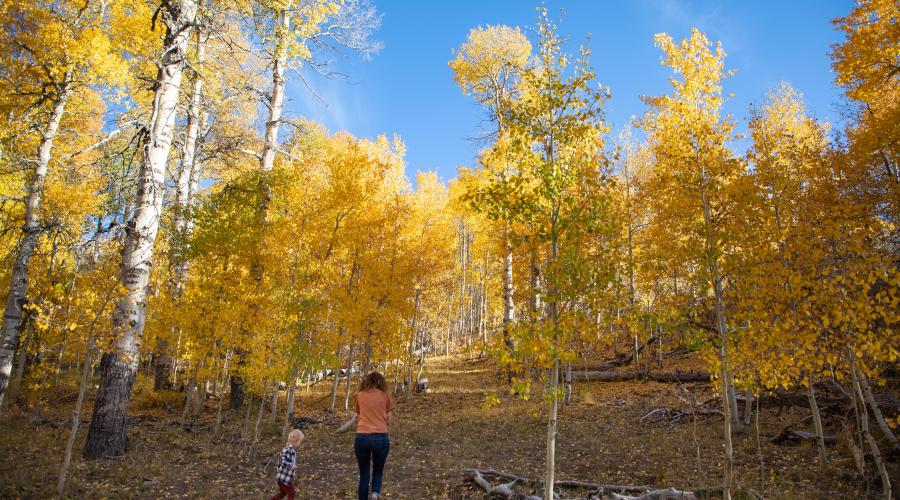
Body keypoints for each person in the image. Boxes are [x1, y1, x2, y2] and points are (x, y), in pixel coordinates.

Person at [352, 371, 395, 500]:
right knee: (378, 470)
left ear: (366, 382)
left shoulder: (359, 395)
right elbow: (388, 419)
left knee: (364, 473)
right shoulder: (385, 396)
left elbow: (359, 415)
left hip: (362, 437)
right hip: (380, 436)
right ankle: (375, 494)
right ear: (381, 382)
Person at [271, 429, 304, 500]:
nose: (300, 444)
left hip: (286, 478)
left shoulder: (291, 450)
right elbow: (283, 461)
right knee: (292, 492)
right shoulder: (287, 450)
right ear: (296, 440)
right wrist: (291, 466)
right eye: (300, 442)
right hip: (283, 478)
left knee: (283, 493)